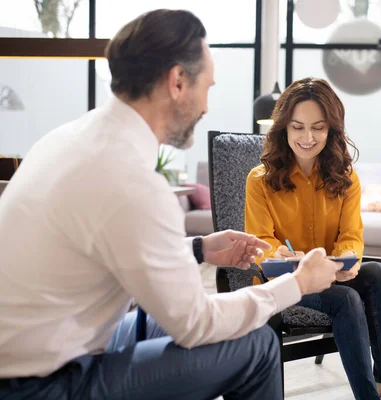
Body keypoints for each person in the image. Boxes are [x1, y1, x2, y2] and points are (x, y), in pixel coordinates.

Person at [0, 10, 342, 400]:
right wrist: (297, 283)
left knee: (180, 318)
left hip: (38, 351)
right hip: (39, 385)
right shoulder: (130, 179)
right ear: (178, 81)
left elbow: (111, 246)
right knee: (256, 343)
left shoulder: (70, 139)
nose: (207, 108)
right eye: (207, 88)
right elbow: (196, 325)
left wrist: (199, 248)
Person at [245, 77, 381, 400]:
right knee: (346, 300)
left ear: (330, 130)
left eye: (318, 127)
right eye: (298, 127)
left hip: (331, 275)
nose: (307, 137)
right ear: (284, 128)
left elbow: (351, 237)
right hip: (287, 281)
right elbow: (260, 241)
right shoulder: (259, 181)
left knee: (380, 273)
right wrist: (281, 257)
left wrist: (348, 262)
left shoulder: (345, 178)